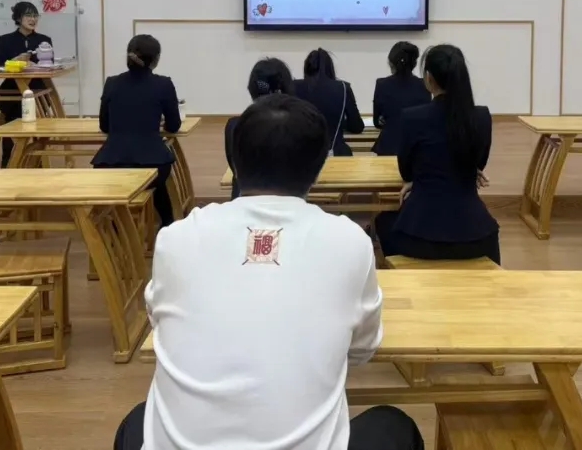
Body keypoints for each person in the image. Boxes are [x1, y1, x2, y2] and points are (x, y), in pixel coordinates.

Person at [112, 94, 423, 450]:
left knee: (138, 422)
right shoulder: (349, 241)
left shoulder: (176, 238)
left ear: (234, 160)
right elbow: (363, 348)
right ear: (319, 166)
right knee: (394, 425)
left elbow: (161, 324)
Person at [373, 44, 499, 264]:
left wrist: (420, 178)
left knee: (383, 222)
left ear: (429, 79)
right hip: (477, 234)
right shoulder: (482, 117)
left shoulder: (412, 118)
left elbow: (406, 171)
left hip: (420, 234)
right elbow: (478, 164)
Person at [92, 34, 181, 228]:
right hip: (153, 166)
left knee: (129, 182)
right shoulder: (164, 84)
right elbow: (174, 125)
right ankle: (167, 225)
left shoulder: (111, 83)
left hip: (110, 165)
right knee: (157, 184)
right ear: (156, 59)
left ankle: (117, 230)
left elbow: (104, 126)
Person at [224, 57, 295, 200]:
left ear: (252, 89)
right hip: (288, 203)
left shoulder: (234, 126)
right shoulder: (300, 125)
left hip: (242, 201)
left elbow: (235, 168)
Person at [0, 1, 53, 168]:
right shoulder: (5, 40)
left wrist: (35, 65)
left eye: (35, 16)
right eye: (28, 15)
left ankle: (37, 161)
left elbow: (49, 65)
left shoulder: (44, 40)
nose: (33, 19)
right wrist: (15, 61)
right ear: (18, 18)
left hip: (37, 89)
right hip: (12, 89)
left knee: (36, 117)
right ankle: (8, 161)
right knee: (11, 121)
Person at [294, 48, 364, 156]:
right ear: (330, 67)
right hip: (336, 152)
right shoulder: (343, 88)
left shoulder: (293, 86)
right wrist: (341, 122)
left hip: (301, 154)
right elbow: (357, 126)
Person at [372, 42, 430, 156]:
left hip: (388, 147)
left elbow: (377, 122)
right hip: (417, 148)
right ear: (414, 63)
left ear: (391, 63)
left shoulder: (382, 84)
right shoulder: (424, 85)